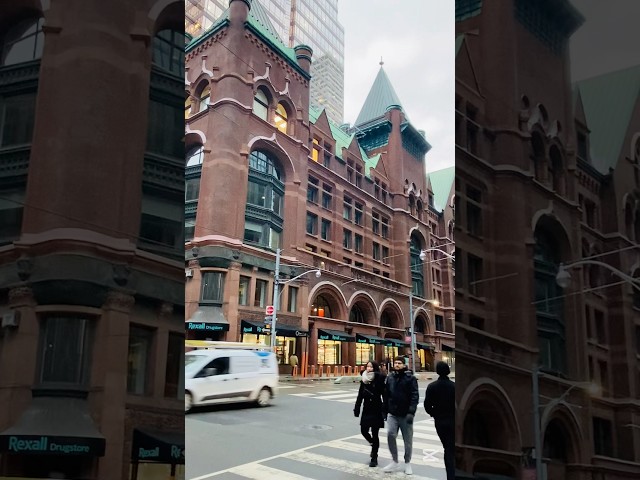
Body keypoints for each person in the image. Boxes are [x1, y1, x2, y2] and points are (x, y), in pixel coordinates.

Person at [382, 356, 419, 475]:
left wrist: (411, 412)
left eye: (399, 363)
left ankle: (407, 462)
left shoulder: (410, 378)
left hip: (405, 414)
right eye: (395, 363)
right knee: (390, 434)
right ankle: (394, 460)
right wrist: (385, 410)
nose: (397, 365)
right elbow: (386, 395)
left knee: (407, 440)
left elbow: (414, 396)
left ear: (404, 364)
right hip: (392, 413)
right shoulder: (390, 377)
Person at [423, 361, 455, 480]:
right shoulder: (454, 386)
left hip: (440, 422)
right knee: (450, 448)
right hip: (452, 420)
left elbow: (427, 405)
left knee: (447, 447)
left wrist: (434, 413)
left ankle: (450, 474)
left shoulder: (432, 386)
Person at [353, 360, 386, 467]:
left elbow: (384, 394)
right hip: (367, 408)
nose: (369, 369)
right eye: (367, 367)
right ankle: (373, 444)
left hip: (376, 408)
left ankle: (374, 457)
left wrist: (385, 409)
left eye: (371, 367)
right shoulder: (364, 379)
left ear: (375, 368)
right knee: (363, 430)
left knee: (375, 433)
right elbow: (360, 394)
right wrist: (357, 407)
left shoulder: (379, 378)